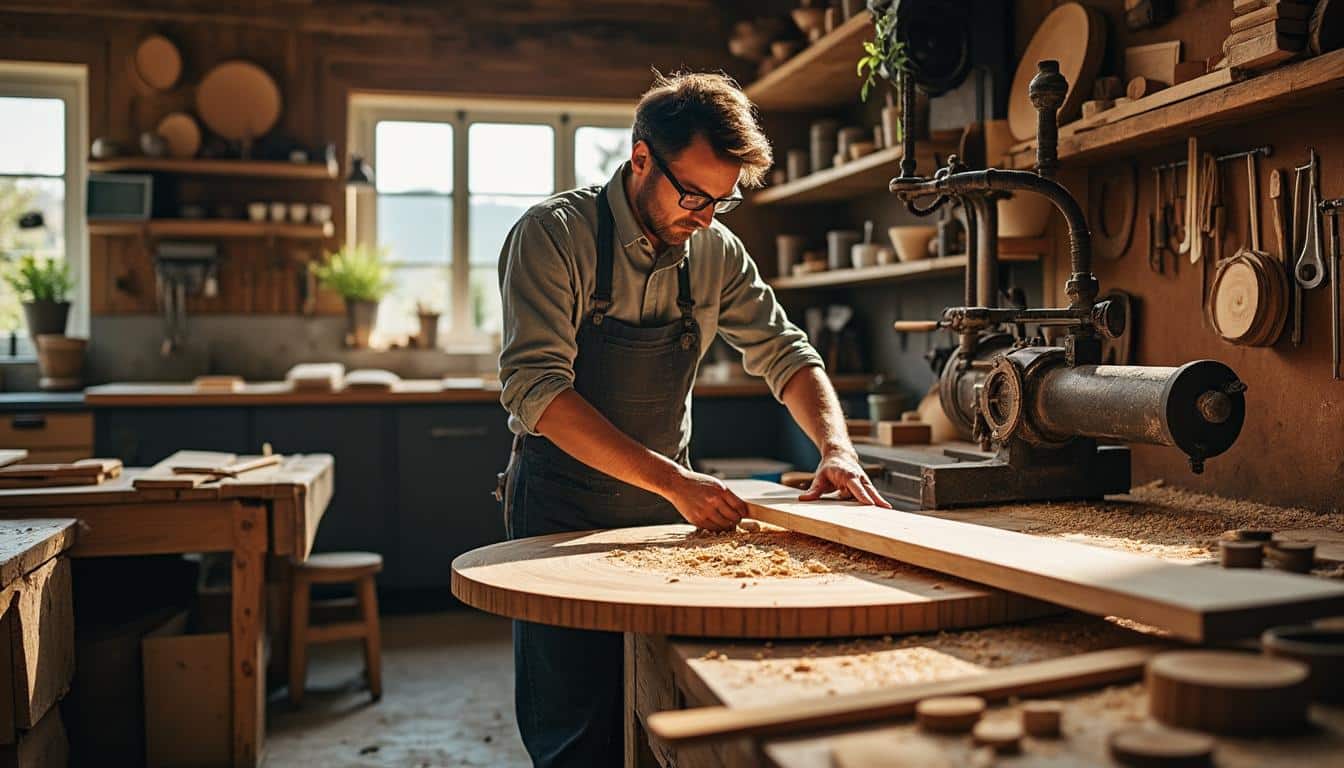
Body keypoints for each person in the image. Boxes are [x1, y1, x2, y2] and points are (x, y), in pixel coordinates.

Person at [496, 70, 893, 767]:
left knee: (663, 704)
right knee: (577, 726)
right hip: (560, 512)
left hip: (661, 514)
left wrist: (838, 448)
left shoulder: (712, 249)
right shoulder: (553, 236)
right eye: (694, 196)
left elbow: (787, 353)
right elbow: (538, 391)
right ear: (640, 157)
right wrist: (676, 482)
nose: (706, 217)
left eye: (723, 201)